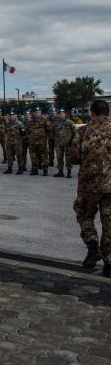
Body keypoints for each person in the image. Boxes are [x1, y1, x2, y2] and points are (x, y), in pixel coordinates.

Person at [69, 99, 111, 274]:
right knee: (109, 222)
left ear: (92, 113)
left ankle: (92, 245)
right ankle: (109, 262)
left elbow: (74, 157)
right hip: (110, 186)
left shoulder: (84, 131)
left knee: (84, 215)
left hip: (88, 185)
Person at [54, 109, 76, 178]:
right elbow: (52, 132)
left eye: (62, 113)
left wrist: (72, 141)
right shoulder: (56, 123)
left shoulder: (70, 122)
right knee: (59, 158)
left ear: (65, 114)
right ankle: (60, 172)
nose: (61, 115)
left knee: (68, 158)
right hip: (59, 143)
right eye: (60, 114)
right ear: (58, 115)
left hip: (68, 143)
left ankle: (69, 172)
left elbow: (74, 132)